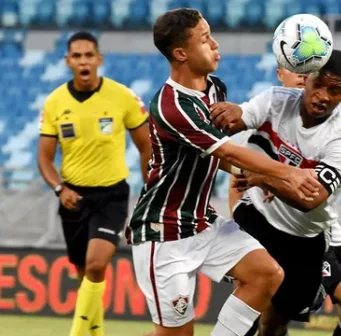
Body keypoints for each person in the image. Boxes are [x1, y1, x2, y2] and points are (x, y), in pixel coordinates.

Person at [125, 8, 322, 336]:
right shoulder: (171, 105)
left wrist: (265, 177)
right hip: (163, 233)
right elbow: (227, 150)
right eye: (205, 39)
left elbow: (219, 155)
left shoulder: (216, 89)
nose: (216, 44)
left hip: (202, 221)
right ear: (181, 53)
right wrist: (289, 174)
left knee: (266, 274)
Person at [213, 52, 341, 336]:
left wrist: (264, 178)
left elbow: (310, 200)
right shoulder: (274, 101)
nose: (323, 96)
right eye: (318, 85)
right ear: (306, 80)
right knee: (249, 299)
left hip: (306, 239)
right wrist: (229, 113)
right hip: (258, 219)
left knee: (275, 323)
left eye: (334, 90)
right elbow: (229, 131)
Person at [37, 32, 152, 336]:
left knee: (97, 265)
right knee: (83, 272)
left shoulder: (123, 96)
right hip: (72, 197)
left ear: (99, 59)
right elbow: (45, 159)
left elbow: (147, 146)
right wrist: (60, 189)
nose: (83, 61)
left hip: (111, 194)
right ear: (68, 61)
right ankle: (96, 332)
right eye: (77, 56)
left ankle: (76, 333)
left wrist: (148, 190)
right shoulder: (55, 103)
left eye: (89, 55)